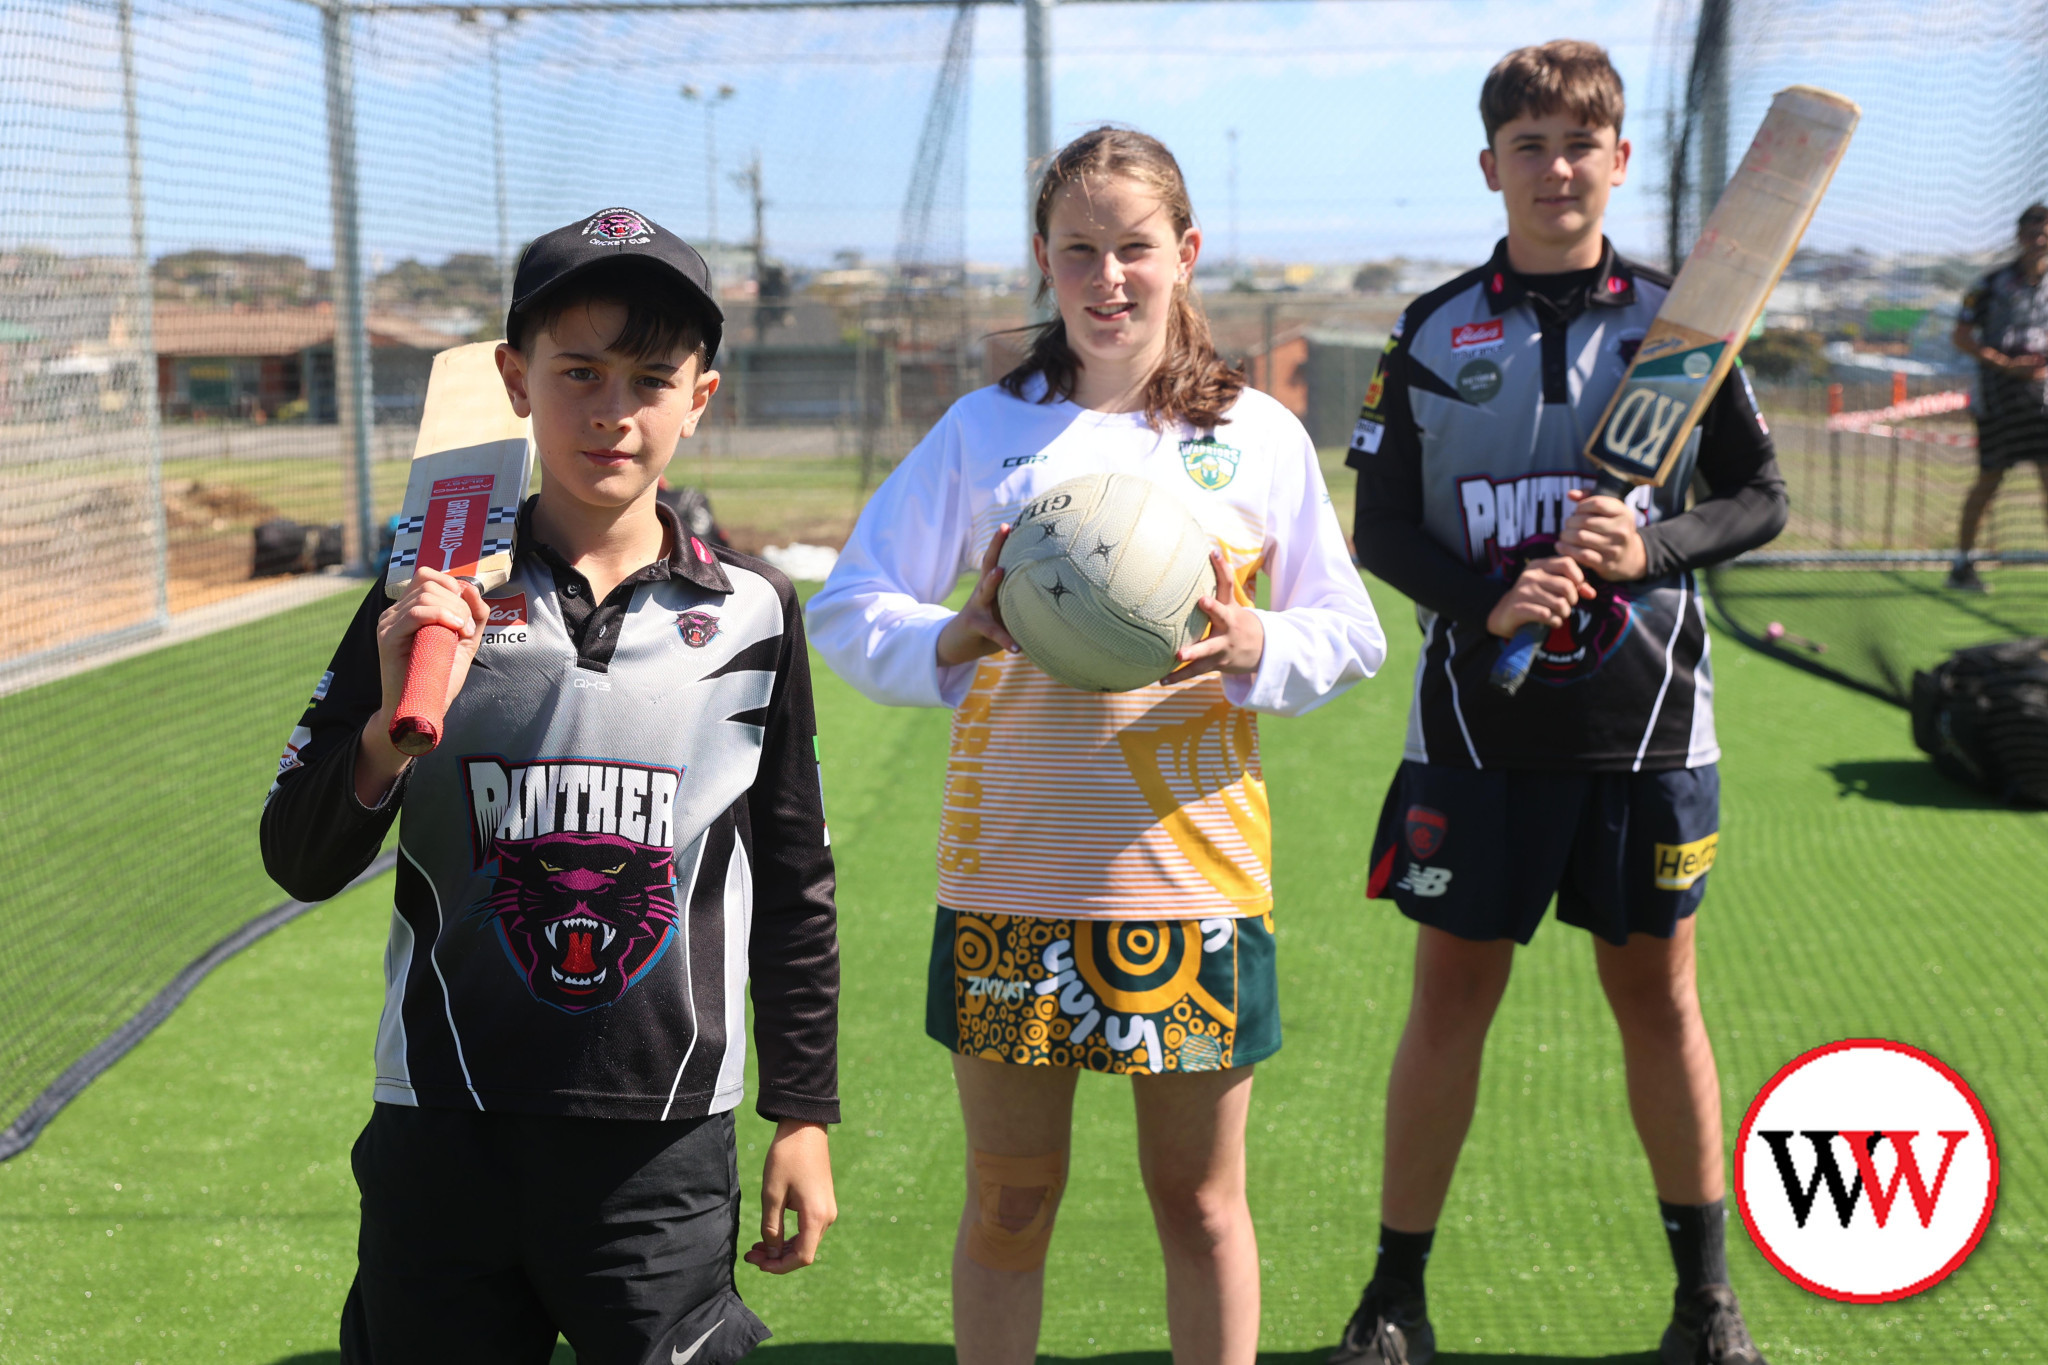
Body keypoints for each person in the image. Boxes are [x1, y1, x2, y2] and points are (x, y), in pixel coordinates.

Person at [807, 127, 1384, 1365]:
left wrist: (1256, 650)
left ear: (1183, 254)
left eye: (1134, 248)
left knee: (1200, 1206)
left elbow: (1350, 633)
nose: (1107, 278)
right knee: (1010, 1204)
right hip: (1011, 879)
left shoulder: (1257, 436)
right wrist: (953, 635)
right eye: (1079, 251)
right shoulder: (981, 433)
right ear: (1042, 262)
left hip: (1194, 888)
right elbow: (848, 608)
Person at [260, 207, 838, 1365]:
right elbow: (299, 855)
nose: (611, 409)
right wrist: (381, 731)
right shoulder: (422, 598)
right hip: (443, 1127)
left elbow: (793, 880)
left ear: (699, 399)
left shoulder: (757, 616)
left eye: (647, 377)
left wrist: (804, 1112)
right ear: (516, 384)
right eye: (577, 372)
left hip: (660, 1146)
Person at [1333, 42, 1788, 1365]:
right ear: (1492, 167)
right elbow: (1383, 529)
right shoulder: (1427, 330)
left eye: (1581, 143)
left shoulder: (1680, 324)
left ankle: (1705, 1305)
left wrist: (1656, 548)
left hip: (1644, 732)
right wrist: (1485, 603)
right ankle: (1394, 1299)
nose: (1556, 167)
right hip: (1477, 731)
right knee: (1449, 997)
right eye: (1529, 145)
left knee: (1660, 1000)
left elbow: (1757, 496)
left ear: (1620, 160)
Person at [1946, 202, 2048, 593]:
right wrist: (2005, 364)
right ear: (2019, 235)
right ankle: (1962, 564)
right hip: (1999, 393)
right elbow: (1961, 336)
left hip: (2041, 394)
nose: (2038, 239)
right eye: (2031, 231)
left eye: (2044, 231)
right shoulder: (1991, 285)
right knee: (1990, 477)